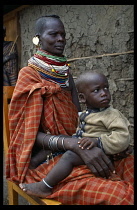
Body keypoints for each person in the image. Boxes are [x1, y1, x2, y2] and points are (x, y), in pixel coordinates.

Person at [6, 15, 134, 205]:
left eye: (63, 35)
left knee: (130, 163)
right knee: (119, 196)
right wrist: (72, 145)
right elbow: (26, 134)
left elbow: (77, 120)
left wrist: (97, 143)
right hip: (45, 163)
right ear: (38, 38)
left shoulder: (65, 73)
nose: (60, 39)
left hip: (75, 149)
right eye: (54, 34)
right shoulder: (28, 75)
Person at [18, 71, 134, 201]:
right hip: (85, 145)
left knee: (70, 156)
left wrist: (98, 142)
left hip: (101, 151)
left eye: (106, 88)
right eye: (97, 90)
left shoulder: (112, 114)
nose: (104, 93)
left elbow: (122, 137)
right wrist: (74, 140)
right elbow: (81, 132)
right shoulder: (87, 113)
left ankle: (45, 186)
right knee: (62, 139)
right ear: (83, 98)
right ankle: (34, 164)